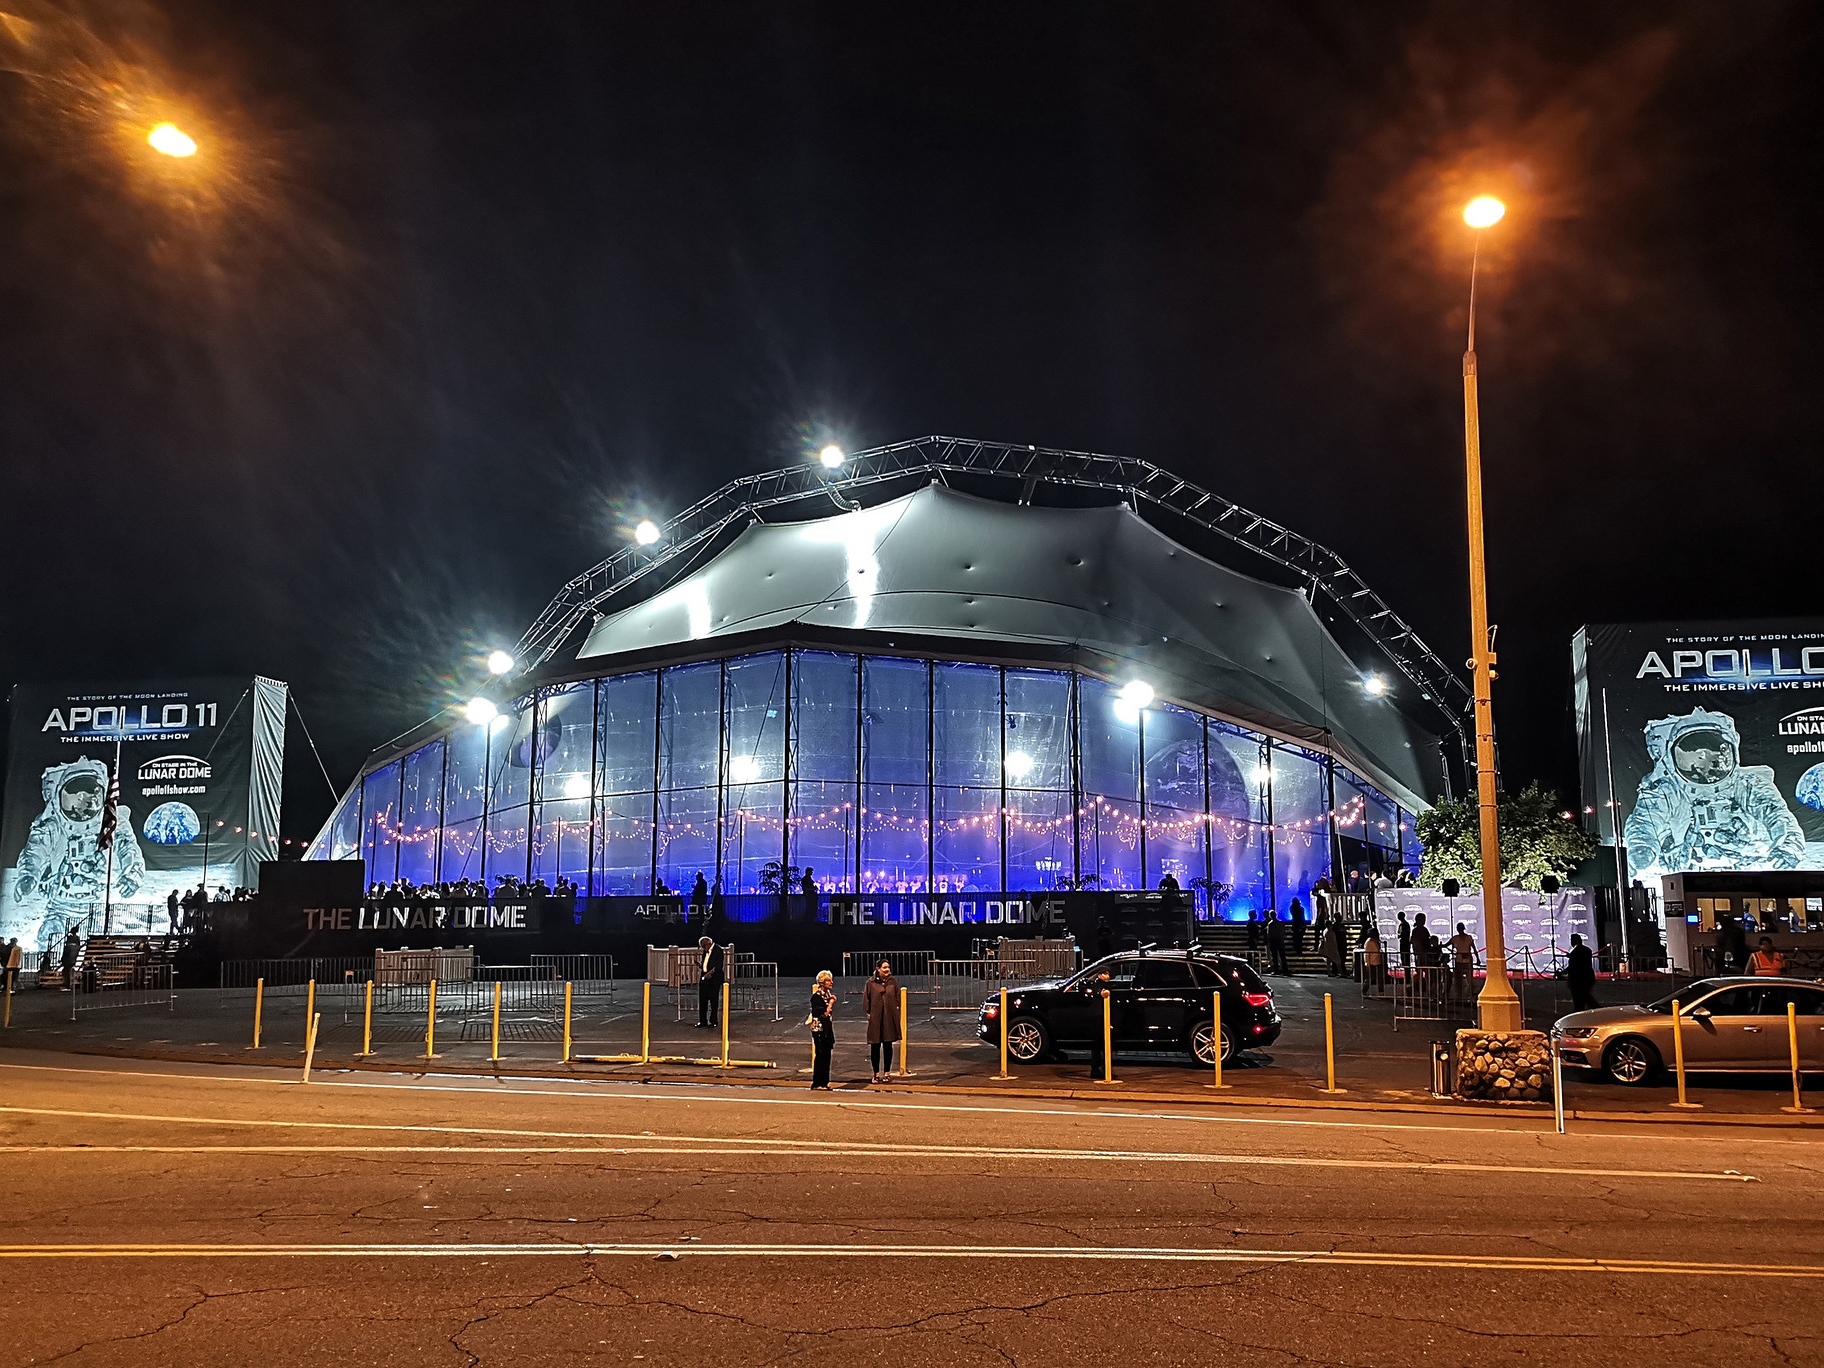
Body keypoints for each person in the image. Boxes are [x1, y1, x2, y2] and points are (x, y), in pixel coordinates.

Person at [862, 960, 901, 1082]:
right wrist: (869, 1012)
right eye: (884, 967)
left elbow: (898, 996)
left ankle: (887, 1073)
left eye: (888, 967)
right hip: (876, 1018)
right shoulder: (871, 983)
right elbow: (866, 999)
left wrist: (896, 1008)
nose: (887, 969)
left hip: (889, 1017)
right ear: (878, 969)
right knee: (875, 1045)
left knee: (888, 1045)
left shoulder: (892, 981)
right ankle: (876, 1074)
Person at [808, 970, 836, 1090]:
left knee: (827, 1054)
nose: (831, 982)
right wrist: (830, 1004)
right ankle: (817, 1082)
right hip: (819, 1029)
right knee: (820, 1055)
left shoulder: (827, 994)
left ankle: (825, 1081)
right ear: (822, 982)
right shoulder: (816, 997)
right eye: (828, 980)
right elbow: (822, 1013)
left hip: (827, 1028)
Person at [1566, 933, 1598, 1010]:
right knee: (1585, 996)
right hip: (1588, 977)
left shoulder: (1574, 953)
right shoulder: (1587, 950)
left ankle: (1594, 1010)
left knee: (1579, 1000)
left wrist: (1563, 973)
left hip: (1577, 980)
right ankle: (1595, 1009)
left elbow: (1574, 965)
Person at [1449, 922, 1479, 1002]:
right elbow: (1474, 949)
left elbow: (1474, 949)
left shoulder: (1466, 938)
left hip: (1466, 960)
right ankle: (1460, 996)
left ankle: (1469, 996)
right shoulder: (1457, 938)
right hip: (1461, 960)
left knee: (1468, 979)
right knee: (1459, 979)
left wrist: (1478, 959)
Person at [1361, 926, 1386, 995]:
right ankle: (1364, 991)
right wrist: (1367, 964)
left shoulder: (1373, 941)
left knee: (1379, 978)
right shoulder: (1369, 942)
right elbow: (1367, 954)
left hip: (1376, 962)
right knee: (1370, 979)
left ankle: (1381, 992)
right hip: (1372, 963)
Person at [59, 926, 81, 991]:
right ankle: (68, 984)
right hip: (72, 958)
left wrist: (62, 959)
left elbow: (66, 951)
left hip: (68, 959)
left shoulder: (70, 940)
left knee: (66, 972)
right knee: (68, 971)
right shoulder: (76, 940)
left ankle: (67, 984)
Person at [1397, 910, 1412, 977]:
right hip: (1402, 943)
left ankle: (1407, 976)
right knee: (1403, 959)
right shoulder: (1401, 924)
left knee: (1406, 960)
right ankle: (1406, 975)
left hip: (1405, 944)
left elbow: (1405, 934)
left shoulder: (1405, 924)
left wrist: (1401, 935)